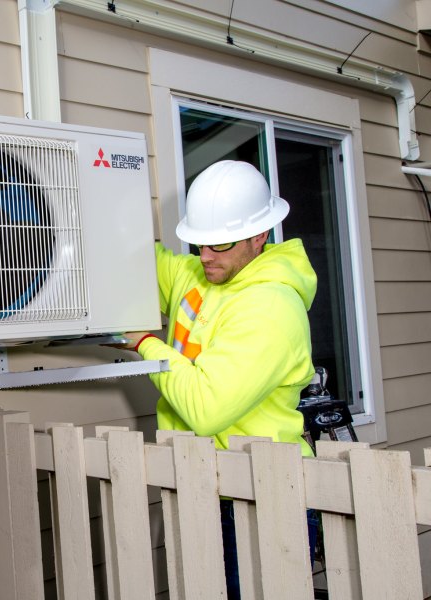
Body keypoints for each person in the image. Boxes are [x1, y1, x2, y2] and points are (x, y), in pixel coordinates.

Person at [120, 160, 318, 600]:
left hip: (260, 500)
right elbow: (140, 257)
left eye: (220, 244)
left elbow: (206, 408)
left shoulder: (272, 308)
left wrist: (146, 345)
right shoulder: (201, 274)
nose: (206, 256)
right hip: (203, 485)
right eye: (198, 244)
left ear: (259, 236)